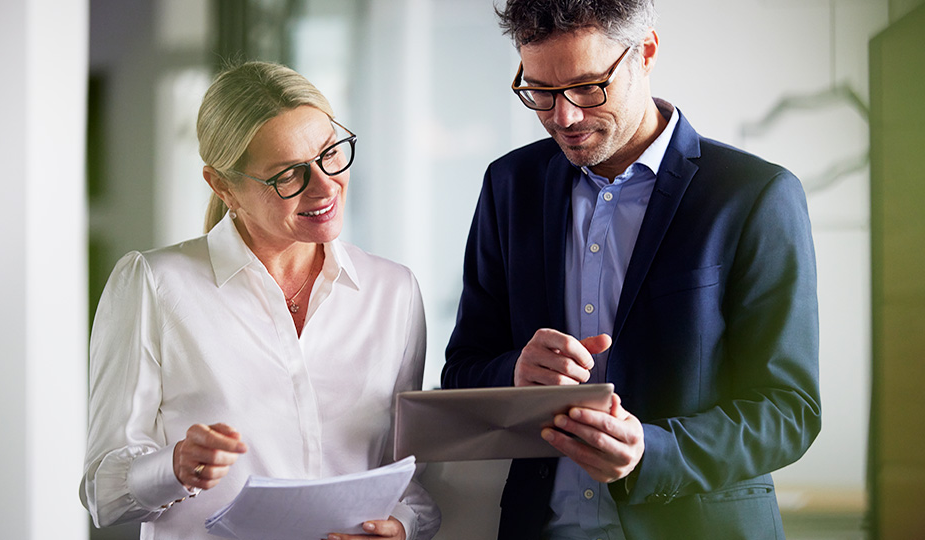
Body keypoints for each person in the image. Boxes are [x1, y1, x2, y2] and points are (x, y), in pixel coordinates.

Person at [442, 1, 820, 539]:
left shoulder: (755, 195)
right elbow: (462, 372)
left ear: (646, 52)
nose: (563, 117)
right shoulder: (509, 186)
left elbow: (790, 410)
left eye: (587, 87)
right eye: (541, 92)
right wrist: (515, 374)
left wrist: (653, 451)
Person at [81, 61, 441, 540]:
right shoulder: (154, 284)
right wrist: (174, 466)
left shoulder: (392, 291)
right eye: (289, 174)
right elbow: (101, 493)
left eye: (330, 153)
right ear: (223, 186)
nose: (325, 184)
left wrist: (402, 527)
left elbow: (405, 476)